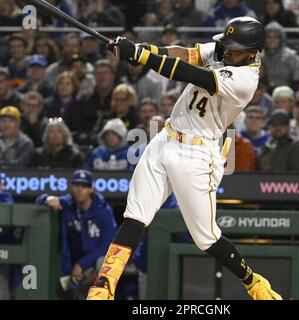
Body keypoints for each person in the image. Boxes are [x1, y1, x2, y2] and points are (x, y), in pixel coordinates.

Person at [87, 17, 282, 300]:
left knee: (207, 239)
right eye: (226, 45)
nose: (226, 51)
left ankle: (253, 283)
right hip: (166, 137)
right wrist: (144, 49)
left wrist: (141, 57)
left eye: (235, 48)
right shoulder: (224, 50)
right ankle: (103, 286)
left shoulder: (246, 80)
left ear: (252, 52)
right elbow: (185, 54)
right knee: (135, 216)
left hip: (197, 154)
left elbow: (193, 74)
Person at [36, 169, 116, 300]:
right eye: (76, 185)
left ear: (91, 189)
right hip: (71, 264)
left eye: (84, 186)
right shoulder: (68, 203)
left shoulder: (103, 210)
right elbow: (39, 200)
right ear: (72, 187)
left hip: (93, 262)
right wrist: (47, 198)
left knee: (103, 263)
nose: (79, 189)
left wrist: (82, 264)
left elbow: (108, 245)